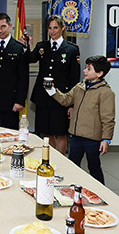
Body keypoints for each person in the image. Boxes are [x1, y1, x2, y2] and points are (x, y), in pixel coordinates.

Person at [46, 55, 115, 184]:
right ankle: (71, 188)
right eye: (85, 68)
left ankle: (101, 191)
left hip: (93, 139)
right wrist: (52, 90)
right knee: (72, 165)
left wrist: (106, 139)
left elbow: (108, 119)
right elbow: (66, 100)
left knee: (93, 167)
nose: (84, 71)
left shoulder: (106, 93)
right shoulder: (80, 86)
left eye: (89, 69)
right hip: (76, 136)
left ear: (99, 73)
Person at [24, 15, 80, 154]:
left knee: (60, 133)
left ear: (62, 28)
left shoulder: (72, 50)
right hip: (43, 97)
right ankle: (49, 160)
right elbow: (30, 59)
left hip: (61, 98)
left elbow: (74, 78)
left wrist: (72, 104)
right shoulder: (42, 47)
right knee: (46, 132)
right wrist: (26, 46)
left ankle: (60, 163)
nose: (52, 31)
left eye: (55, 27)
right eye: (50, 28)